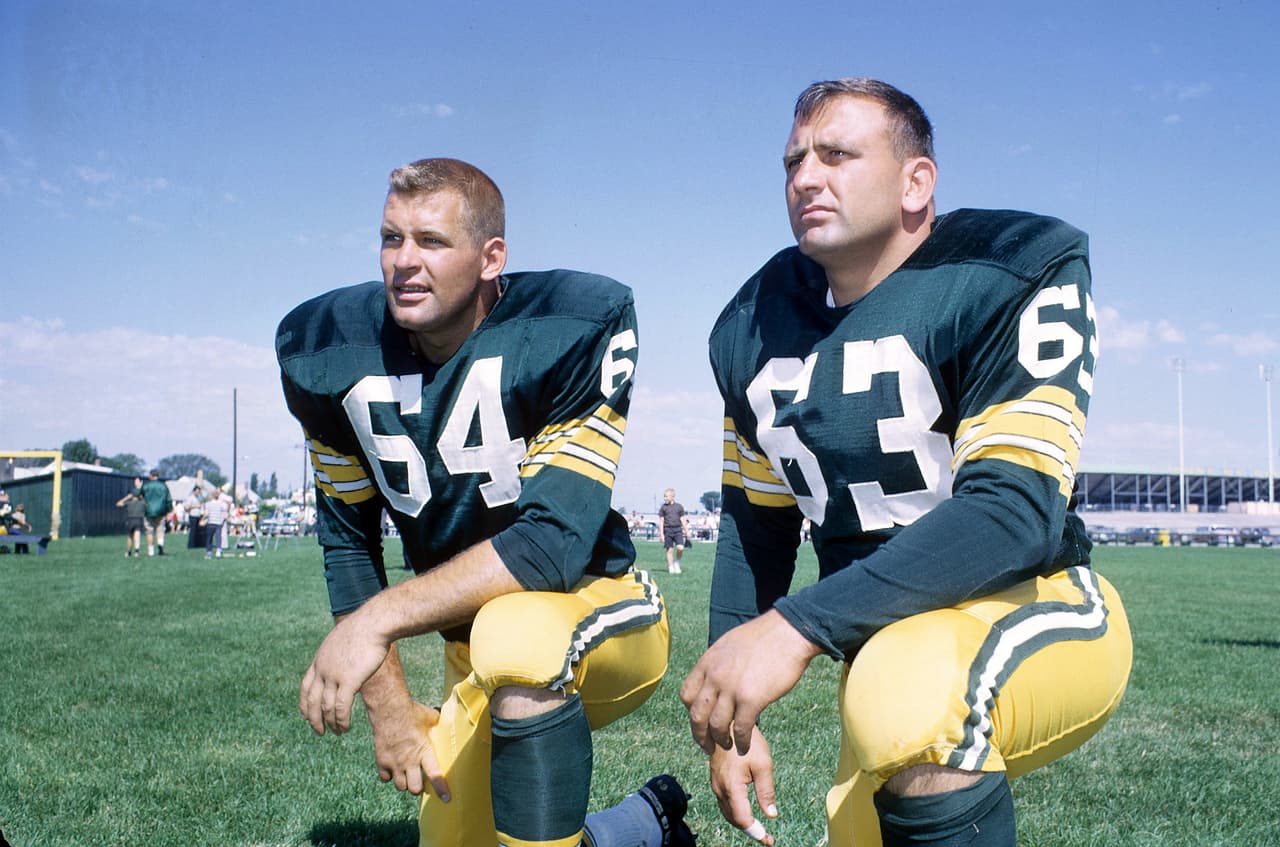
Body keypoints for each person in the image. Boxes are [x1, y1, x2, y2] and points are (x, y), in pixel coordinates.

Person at [681, 78, 1132, 847]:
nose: (805, 177)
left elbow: (1013, 512)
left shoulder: (1013, 266)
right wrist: (730, 719)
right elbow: (756, 527)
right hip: (882, 653)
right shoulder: (752, 323)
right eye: (793, 161)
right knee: (895, 694)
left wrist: (793, 626)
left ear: (916, 182)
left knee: (908, 689)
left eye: (836, 154)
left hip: (1038, 599)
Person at [276, 157, 692, 847]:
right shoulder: (328, 348)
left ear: (491, 256)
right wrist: (393, 709)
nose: (404, 262)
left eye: (431, 241)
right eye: (390, 238)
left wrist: (374, 621)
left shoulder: (573, 321)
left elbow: (550, 547)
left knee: (519, 634)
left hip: (598, 605)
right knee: (481, 832)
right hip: (470, 645)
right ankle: (646, 821)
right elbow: (348, 539)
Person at [657, 488, 691, 574]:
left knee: (681, 548)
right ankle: (670, 567)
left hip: (678, 530)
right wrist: (661, 535)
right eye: (664, 496)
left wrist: (687, 531)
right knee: (669, 550)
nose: (664, 498)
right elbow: (661, 521)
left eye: (666, 496)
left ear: (672, 497)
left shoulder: (679, 507)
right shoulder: (663, 508)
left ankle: (677, 563)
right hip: (667, 530)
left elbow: (683, 520)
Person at [141, 469, 173, 556]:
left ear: (151, 476)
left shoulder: (146, 486)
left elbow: (141, 496)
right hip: (161, 511)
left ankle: (151, 551)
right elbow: (169, 500)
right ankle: (160, 544)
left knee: (149, 531)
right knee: (160, 529)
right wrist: (169, 511)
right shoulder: (163, 486)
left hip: (149, 511)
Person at [116, 478, 147, 557]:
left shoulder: (129, 503)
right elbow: (147, 505)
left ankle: (129, 552)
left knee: (130, 536)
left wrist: (127, 497)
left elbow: (118, 504)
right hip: (139, 519)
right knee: (137, 535)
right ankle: (137, 551)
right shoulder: (142, 503)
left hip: (130, 519)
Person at [203, 487, 231, 559]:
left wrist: (202, 519)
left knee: (209, 538)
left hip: (210, 523)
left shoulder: (208, 504)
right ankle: (218, 550)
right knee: (218, 537)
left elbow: (206, 514)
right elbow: (224, 513)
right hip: (218, 523)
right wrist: (223, 520)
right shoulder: (221, 504)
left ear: (212, 496)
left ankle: (209, 553)